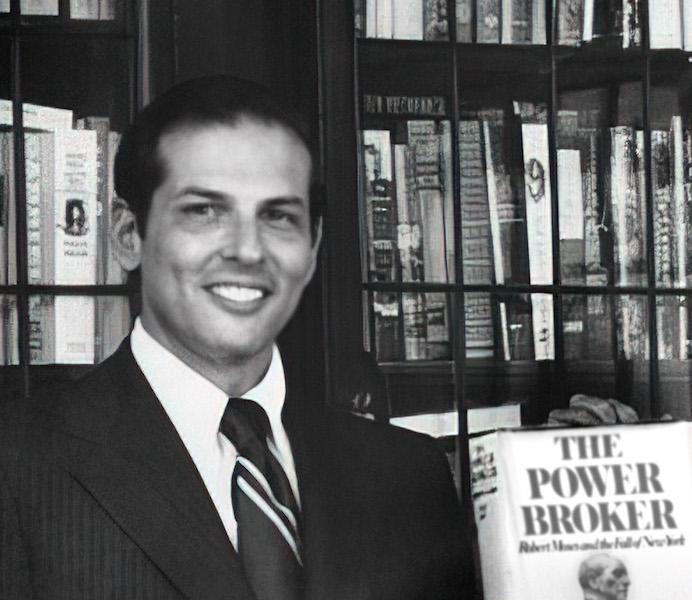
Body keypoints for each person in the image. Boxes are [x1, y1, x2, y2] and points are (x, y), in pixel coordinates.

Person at [0, 75, 473, 599]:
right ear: (128, 236)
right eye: (204, 211)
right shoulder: (17, 465)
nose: (248, 251)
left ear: (311, 247)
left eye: (277, 216)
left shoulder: (410, 476)